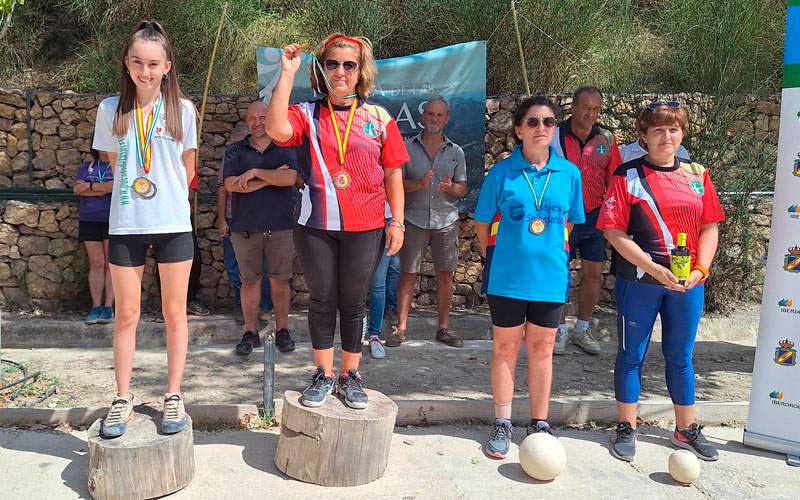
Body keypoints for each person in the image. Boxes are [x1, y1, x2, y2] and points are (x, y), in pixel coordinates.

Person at [266, 34, 408, 409]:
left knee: (354, 301)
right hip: (316, 225)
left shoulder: (379, 117)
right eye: (332, 63)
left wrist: (398, 223)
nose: (341, 71)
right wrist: (286, 73)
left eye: (350, 65)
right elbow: (275, 129)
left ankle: (351, 375)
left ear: (361, 72)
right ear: (322, 69)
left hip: (367, 226)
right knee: (322, 299)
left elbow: (393, 173)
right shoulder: (307, 113)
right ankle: (323, 373)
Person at [597, 101, 724, 463]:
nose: (666, 137)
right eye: (657, 130)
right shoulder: (626, 175)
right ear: (644, 136)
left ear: (682, 133)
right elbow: (613, 232)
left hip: (688, 284)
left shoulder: (698, 174)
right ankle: (626, 426)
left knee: (681, 357)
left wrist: (702, 270)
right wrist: (654, 269)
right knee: (631, 355)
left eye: (672, 129)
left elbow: (710, 227)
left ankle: (686, 429)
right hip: (640, 280)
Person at [92, 20, 196, 437]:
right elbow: (115, 164)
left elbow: (188, 168)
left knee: (175, 314)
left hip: (173, 223)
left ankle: (173, 395)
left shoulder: (183, 110)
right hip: (127, 222)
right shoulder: (109, 109)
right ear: (127, 62)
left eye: (154, 64)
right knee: (127, 315)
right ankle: (122, 398)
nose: (145, 71)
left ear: (167, 66)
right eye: (138, 62)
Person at [474, 96, 584, 459]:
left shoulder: (569, 174)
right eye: (533, 122)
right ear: (518, 130)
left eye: (549, 122)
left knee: (542, 350)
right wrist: (498, 256)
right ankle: (503, 422)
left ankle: (539, 423)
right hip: (507, 278)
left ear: (555, 129)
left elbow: (570, 223)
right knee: (505, 348)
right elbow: (482, 223)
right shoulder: (502, 173)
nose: (542, 128)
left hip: (549, 279)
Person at [389, 97, 467, 348]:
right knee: (408, 274)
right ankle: (401, 329)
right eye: (430, 114)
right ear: (423, 117)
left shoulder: (456, 151)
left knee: (446, 276)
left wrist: (451, 188)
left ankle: (443, 328)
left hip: (446, 221)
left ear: (447, 119)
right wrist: (418, 184)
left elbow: (463, 188)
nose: (434, 119)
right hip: (414, 220)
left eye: (439, 115)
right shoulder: (407, 148)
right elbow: (396, 184)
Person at [551, 87, 622, 356]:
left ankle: (581, 328)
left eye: (595, 109)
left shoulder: (606, 139)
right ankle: (558, 330)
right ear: (573, 106)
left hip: (594, 215)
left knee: (593, 273)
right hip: (561, 217)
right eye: (585, 107)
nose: (589, 114)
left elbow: (614, 179)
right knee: (559, 273)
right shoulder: (554, 134)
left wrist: (611, 214)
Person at [224, 101, 298, 356]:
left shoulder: (285, 147)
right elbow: (232, 185)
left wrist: (255, 173)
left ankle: (283, 330)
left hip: (280, 226)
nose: (257, 122)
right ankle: (250, 332)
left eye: (263, 117)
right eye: (252, 118)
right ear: (247, 121)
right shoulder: (236, 151)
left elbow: (290, 178)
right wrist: (270, 178)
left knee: (280, 282)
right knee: (249, 282)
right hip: (245, 227)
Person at [216, 157, 273, 319]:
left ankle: (264, 307)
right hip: (235, 217)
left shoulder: (272, 154)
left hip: (263, 218)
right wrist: (222, 220)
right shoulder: (231, 155)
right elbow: (223, 188)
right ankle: (244, 307)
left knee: (263, 265)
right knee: (234, 266)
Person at [74, 149, 114, 324]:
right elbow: (77, 189)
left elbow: (114, 187)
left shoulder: (117, 166)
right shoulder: (86, 167)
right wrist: (102, 190)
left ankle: (108, 307)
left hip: (112, 219)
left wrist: (90, 187)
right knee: (96, 263)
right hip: (89, 219)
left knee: (111, 264)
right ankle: (96, 306)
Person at [365, 202, 401, 359]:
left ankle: (374, 336)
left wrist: (396, 224)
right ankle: (355, 337)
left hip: (383, 220)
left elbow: (395, 190)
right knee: (353, 282)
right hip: (353, 222)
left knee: (378, 284)